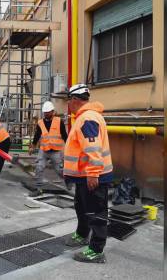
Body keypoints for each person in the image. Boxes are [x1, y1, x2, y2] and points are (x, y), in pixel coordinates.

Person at [63, 84, 113, 264]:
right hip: (84, 175)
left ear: (75, 100)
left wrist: (93, 174)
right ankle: (82, 234)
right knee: (82, 207)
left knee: (95, 212)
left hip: (92, 176)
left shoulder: (87, 118)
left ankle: (96, 250)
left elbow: (93, 147)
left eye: (69, 100)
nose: (67, 103)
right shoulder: (84, 117)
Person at [28, 101, 68, 197]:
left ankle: (69, 183)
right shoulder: (40, 123)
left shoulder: (59, 121)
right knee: (39, 167)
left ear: (52, 112)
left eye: (48, 112)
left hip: (56, 151)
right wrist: (32, 146)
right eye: (45, 112)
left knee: (59, 170)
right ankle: (38, 189)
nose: (46, 114)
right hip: (44, 150)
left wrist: (70, 147)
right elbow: (37, 135)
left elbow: (65, 135)